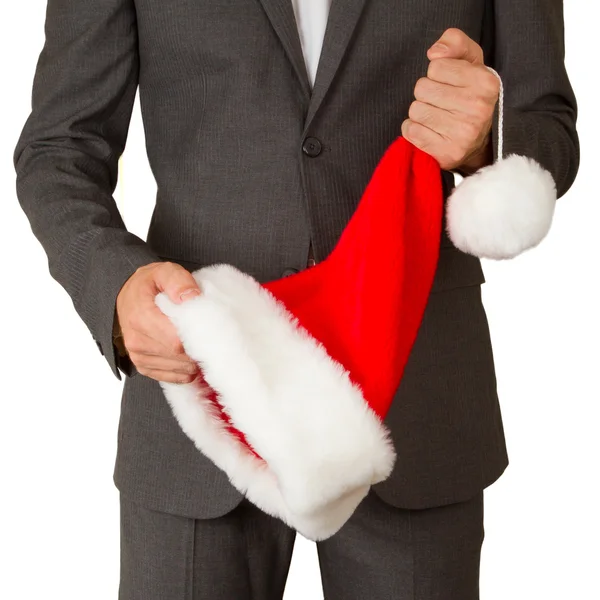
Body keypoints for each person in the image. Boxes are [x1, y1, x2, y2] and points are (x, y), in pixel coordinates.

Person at [13, 1, 578, 598]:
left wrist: (490, 137)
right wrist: (116, 285)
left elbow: (548, 123)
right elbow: (58, 149)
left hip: (414, 390)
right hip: (200, 380)